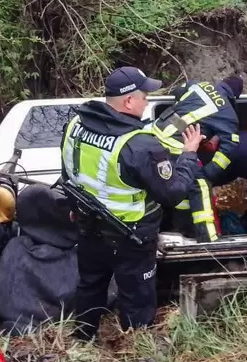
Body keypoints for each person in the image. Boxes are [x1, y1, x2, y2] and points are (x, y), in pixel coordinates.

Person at [61, 66, 204, 340]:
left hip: (88, 229)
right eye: (144, 95)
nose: (147, 101)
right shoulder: (139, 145)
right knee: (137, 297)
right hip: (130, 237)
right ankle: (136, 346)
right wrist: (188, 154)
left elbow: (69, 173)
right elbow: (173, 193)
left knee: (90, 285)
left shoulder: (74, 127)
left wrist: (73, 208)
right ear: (129, 101)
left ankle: (83, 340)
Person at [150, 77, 243, 242]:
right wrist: (209, 172)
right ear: (234, 97)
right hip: (174, 146)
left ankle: (178, 228)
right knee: (200, 186)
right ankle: (208, 238)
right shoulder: (228, 114)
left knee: (176, 187)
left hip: (156, 132)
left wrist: (188, 128)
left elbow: (178, 92)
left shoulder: (200, 84)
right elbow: (229, 149)